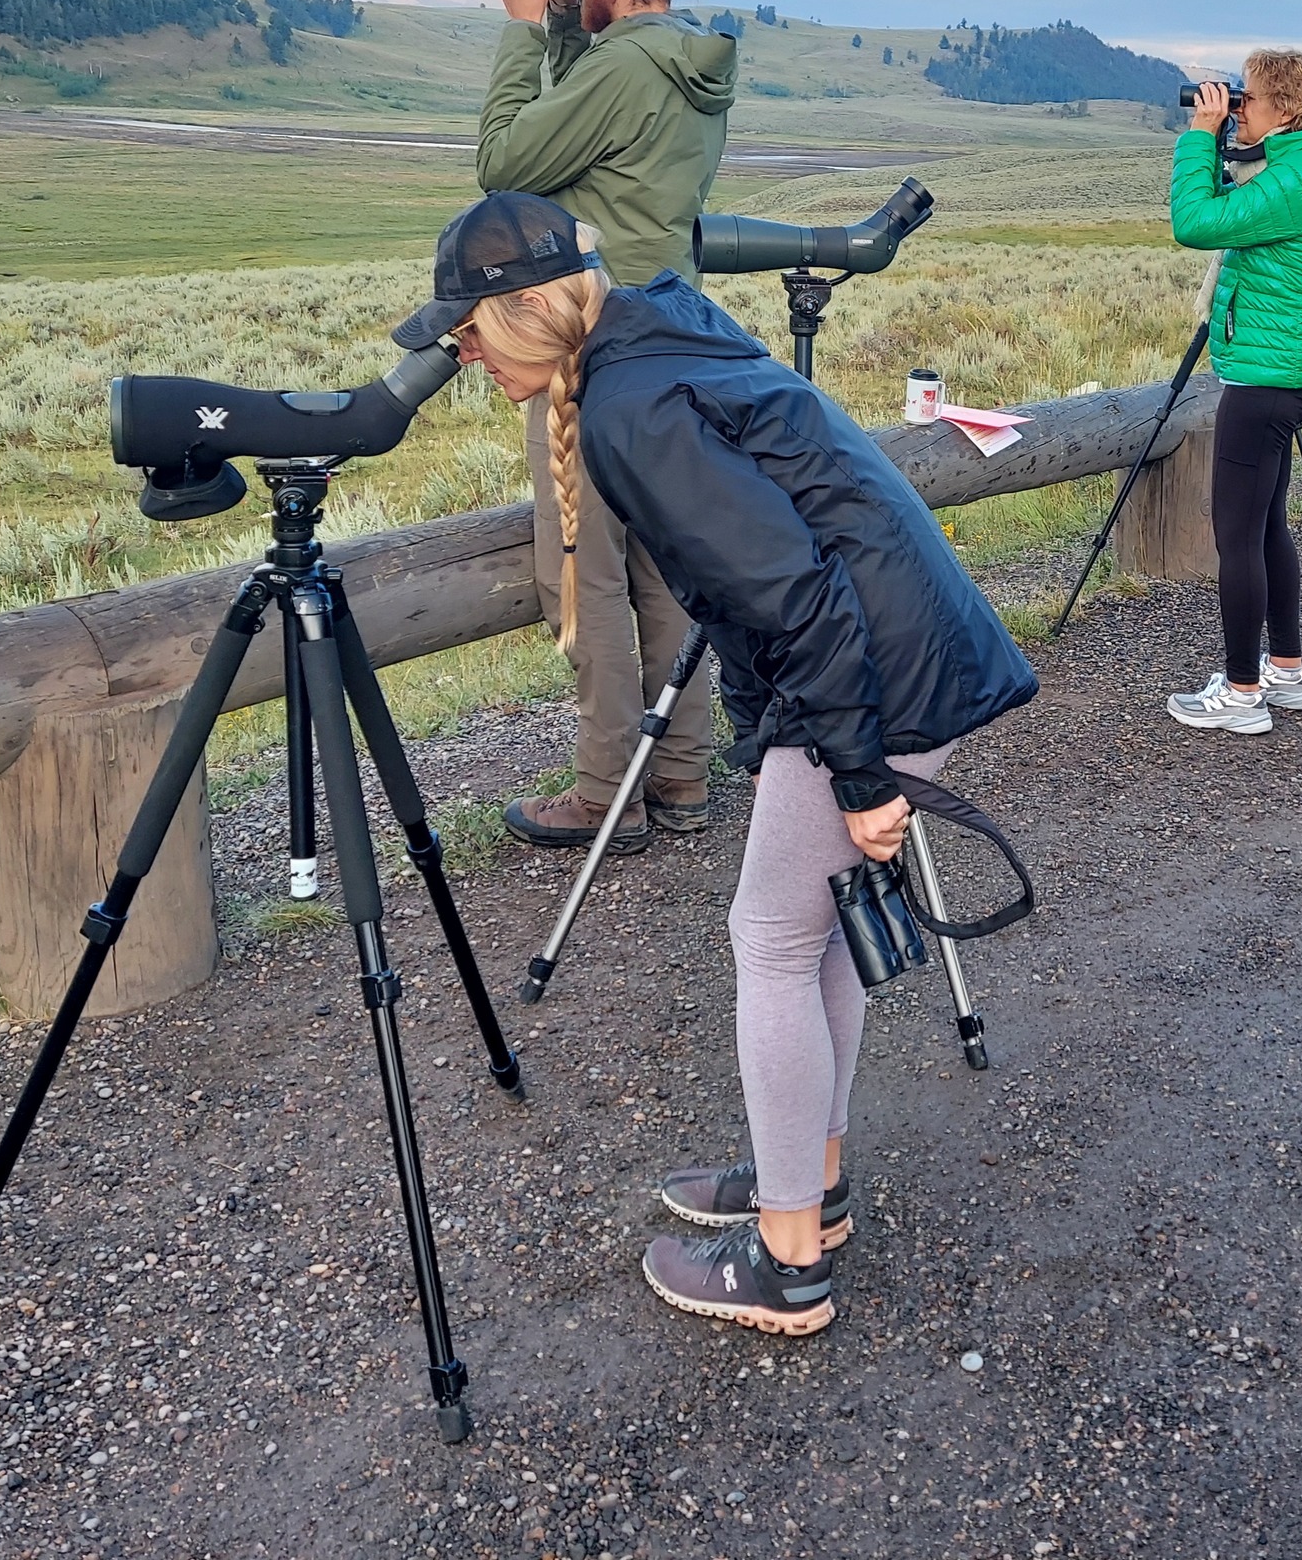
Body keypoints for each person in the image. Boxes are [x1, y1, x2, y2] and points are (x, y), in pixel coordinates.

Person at [392, 191, 1040, 1336]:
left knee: (774, 938)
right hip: (893, 643)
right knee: (821, 924)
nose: (463, 350)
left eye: (471, 326)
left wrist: (858, 773)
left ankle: (790, 1258)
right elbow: (770, 563)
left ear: (533, 307)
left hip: (871, 667)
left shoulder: (628, 407)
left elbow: (791, 588)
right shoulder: (655, 331)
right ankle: (813, 1182)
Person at [478, 0, 738, 853]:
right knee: (666, 566)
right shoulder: (684, 62)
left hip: (591, 341)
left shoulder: (624, 68)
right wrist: (565, 25)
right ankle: (676, 776)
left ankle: (605, 789)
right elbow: (604, 140)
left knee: (583, 567)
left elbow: (506, 164)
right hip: (669, 329)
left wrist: (519, 28)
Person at [1166, 51, 1302, 735]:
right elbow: (1228, 207)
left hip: (1265, 382)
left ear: (1287, 110)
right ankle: (1287, 672)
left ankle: (1241, 692)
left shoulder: (1294, 179)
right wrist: (1224, 142)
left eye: (1250, 101)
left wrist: (1194, 137)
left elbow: (1195, 223)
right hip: (1284, 373)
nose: (1238, 109)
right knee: (1267, 526)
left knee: (1236, 536)